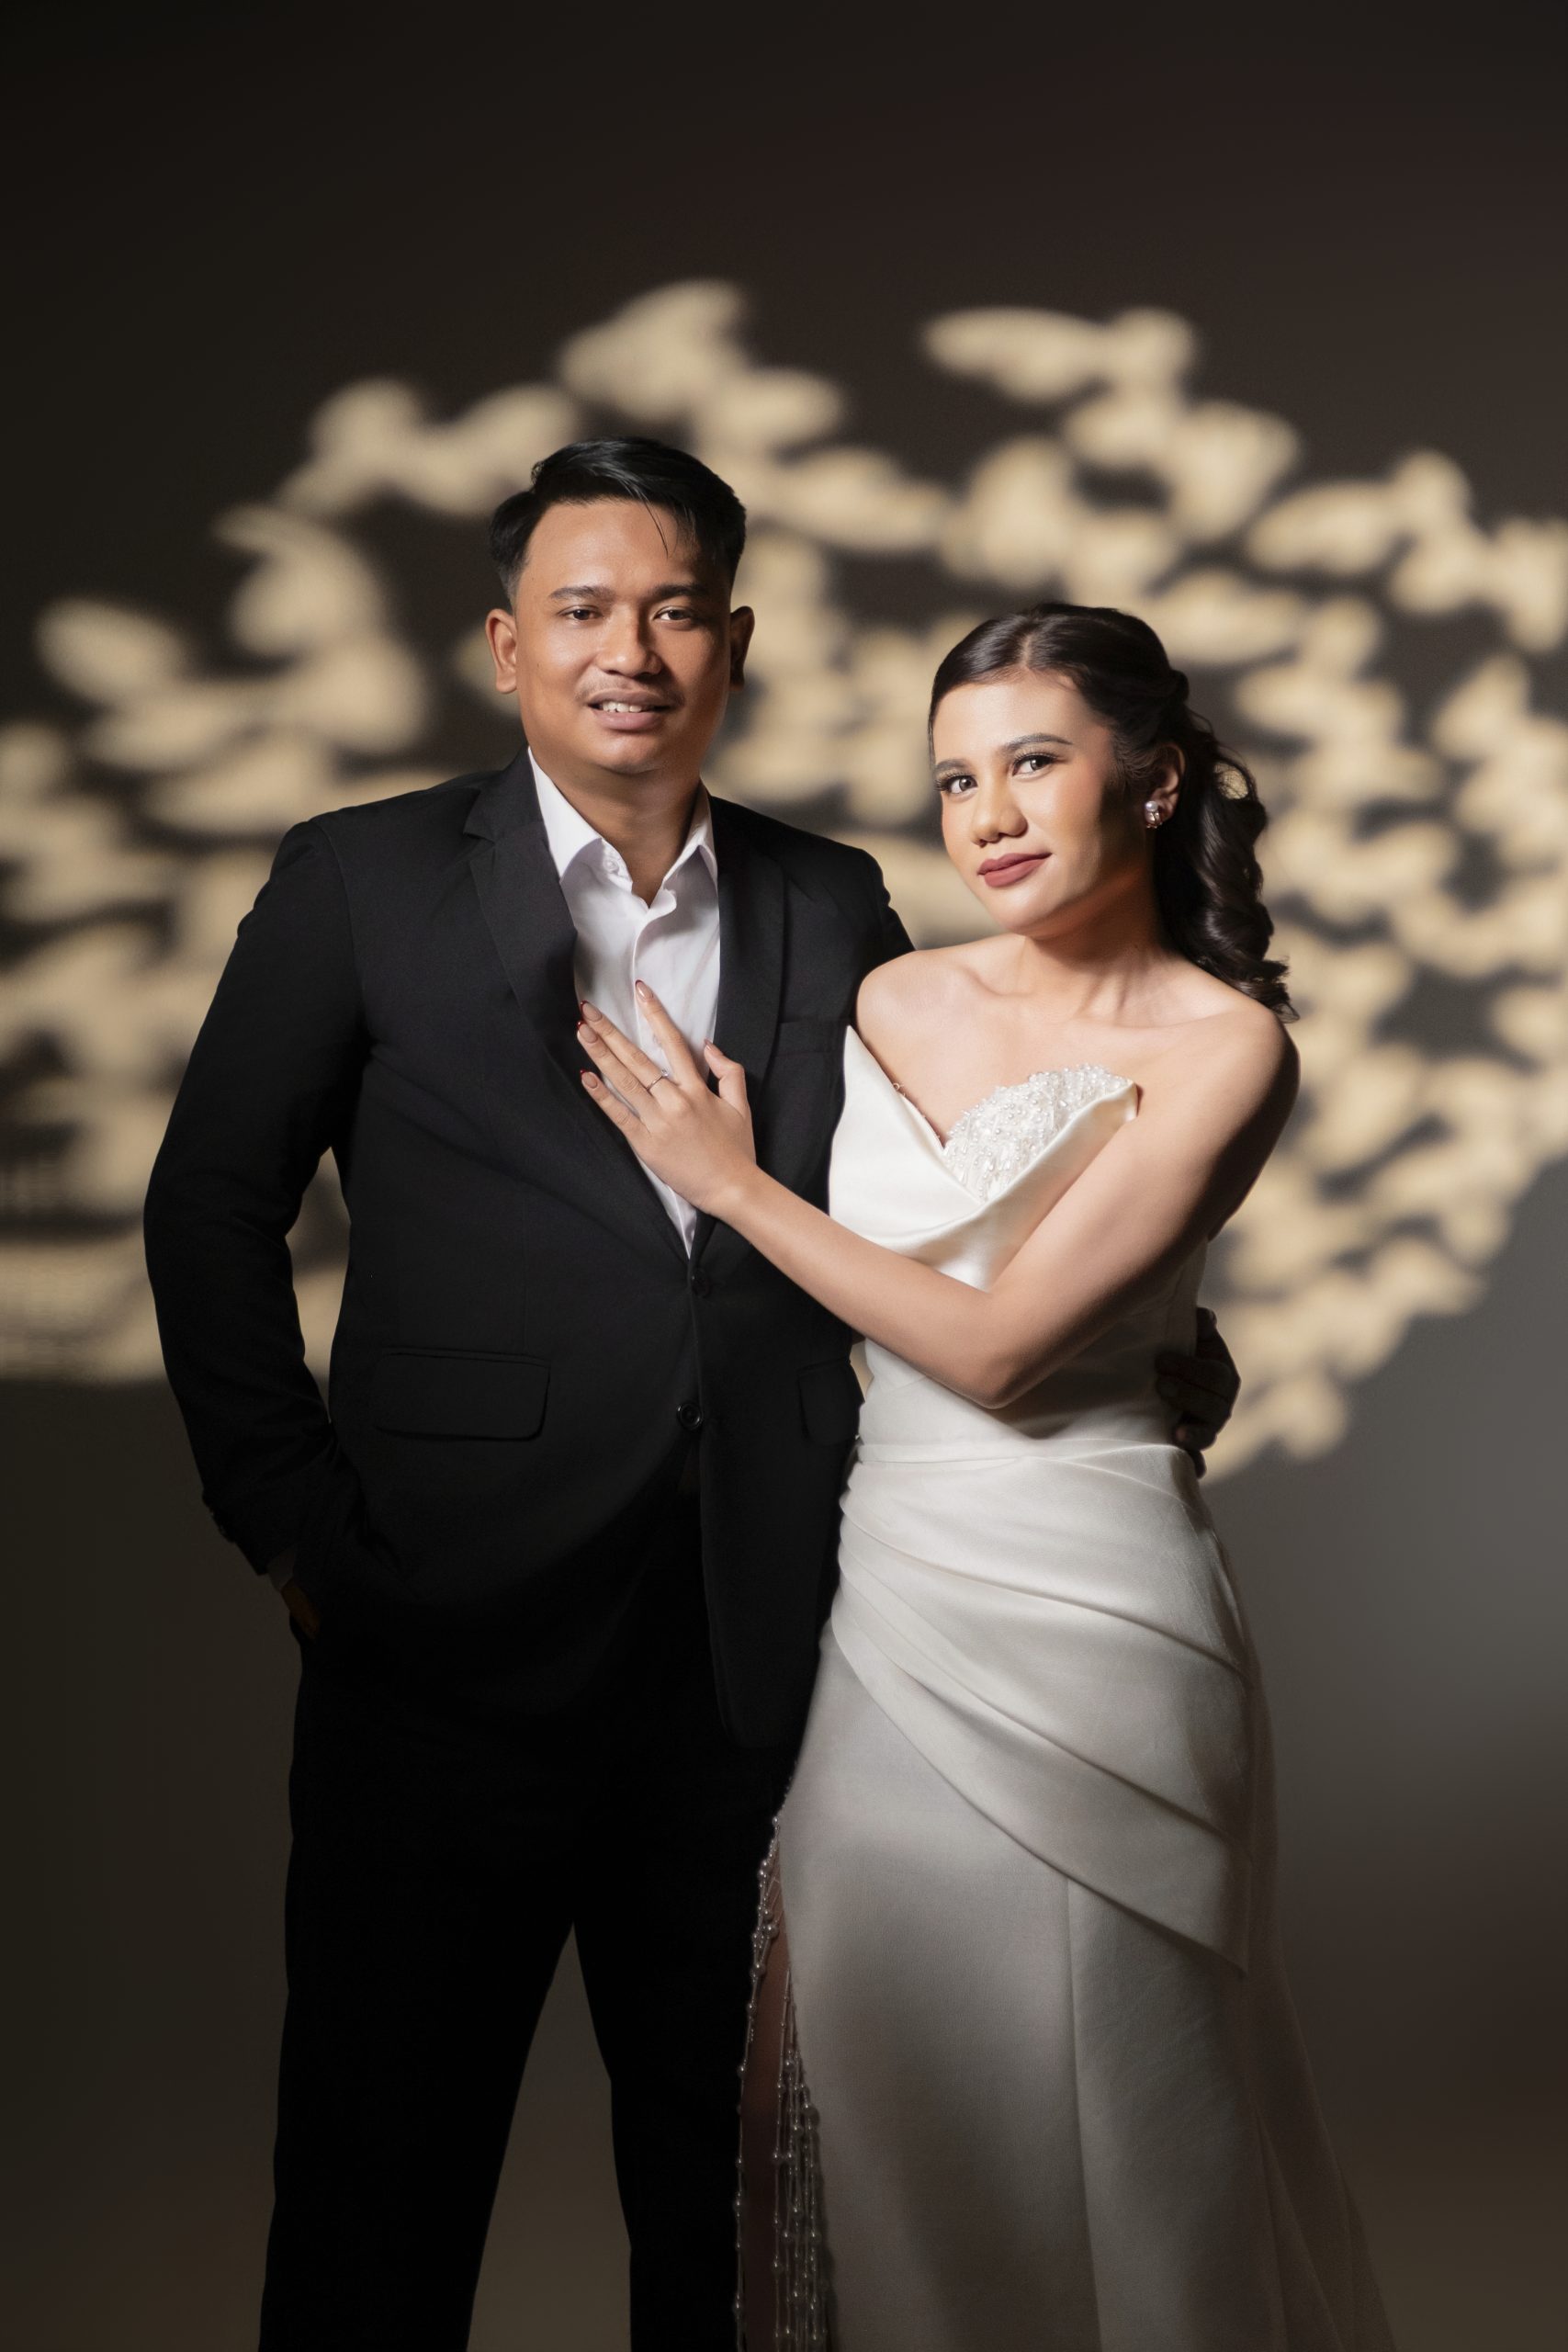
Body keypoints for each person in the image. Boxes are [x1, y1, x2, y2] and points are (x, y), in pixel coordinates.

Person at [142, 445, 1236, 2351]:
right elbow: (209, 1206)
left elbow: (958, 1190)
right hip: (439, 1640)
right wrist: (296, 1532)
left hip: (762, 1658)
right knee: (376, 2203)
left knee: (737, 2225)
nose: (626, 651)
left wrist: (1148, 1327)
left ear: (731, 642)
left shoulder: (832, 896)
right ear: (507, 647)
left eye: (669, 610)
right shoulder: (361, 877)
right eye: (580, 610)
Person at [578, 601, 1396, 2351]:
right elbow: (800, 1311)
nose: (991, 816)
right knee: (818, 2105)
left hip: (1101, 1614)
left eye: (1035, 763)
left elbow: (1003, 1349)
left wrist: (732, 1183)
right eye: (956, 780)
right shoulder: (892, 995)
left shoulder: (1227, 1044)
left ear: (1155, 783)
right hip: (892, 1592)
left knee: (1134, 2118)